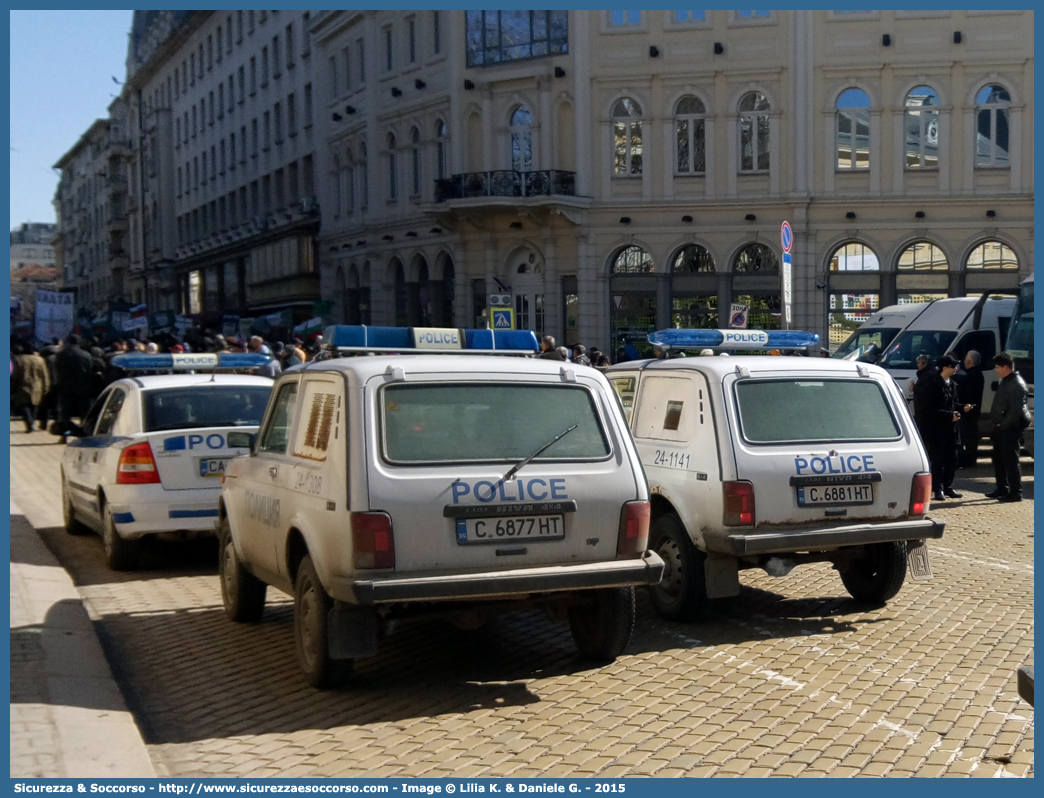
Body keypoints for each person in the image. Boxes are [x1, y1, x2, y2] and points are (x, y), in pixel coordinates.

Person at [924, 355, 970, 501]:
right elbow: (930, 410)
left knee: (953, 459)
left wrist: (963, 408)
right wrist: (950, 416)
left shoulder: (953, 384)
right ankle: (938, 489)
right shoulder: (934, 385)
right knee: (938, 460)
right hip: (938, 430)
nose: (956, 368)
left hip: (952, 429)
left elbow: (954, 404)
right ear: (945, 368)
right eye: (953, 366)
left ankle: (948, 486)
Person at [986, 352, 1030, 502]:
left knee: (1011, 460)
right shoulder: (1006, 380)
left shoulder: (1016, 384)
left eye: (998, 367)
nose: (996, 370)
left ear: (1006, 367)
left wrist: (1003, 425)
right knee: (998, 459)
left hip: (1010, 428)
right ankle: (1001, 487)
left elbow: (1016, 410)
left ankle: (1015, 492)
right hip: (1001, 427)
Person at [54, 333, 94, 441]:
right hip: (82, 387)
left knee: (65, 413)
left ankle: (64, 435)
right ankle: (85, 433)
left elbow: (57, 370)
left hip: (65, 387)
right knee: (84, 411)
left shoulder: (60, 355)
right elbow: (90, 371)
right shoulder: (86, 355)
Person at [954, 350, 985, 468]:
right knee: (969, 436)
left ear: (969, 361)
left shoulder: (971, 375)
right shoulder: (977, 374)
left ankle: (967, 461)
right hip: (973, 410)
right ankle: (969, 460)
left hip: (968, 410)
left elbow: (966, 393)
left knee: (967, 437)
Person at [11, 342, 50, 433]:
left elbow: (15, 374)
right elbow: (45, 375)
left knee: (24, 405)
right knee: (34, 405)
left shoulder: (19, 359)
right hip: (37, 386)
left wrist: (12, 387)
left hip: (23, 385)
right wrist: (46, 387)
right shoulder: (40, 360)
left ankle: (29, 423)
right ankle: (32, 421)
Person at [911, 354, 936, 446]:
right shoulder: (928, 373)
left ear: (924, 364)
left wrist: (914, 388)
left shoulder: (927, 375)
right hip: (924, 409)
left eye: (919, 363)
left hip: (924, 410)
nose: (917, 365)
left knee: (925, 433)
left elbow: (925, 390)